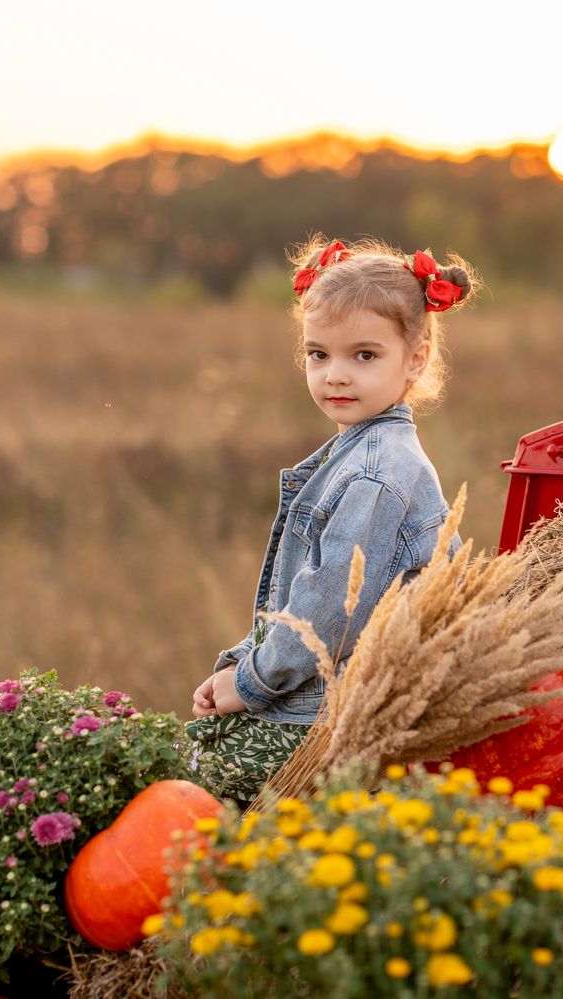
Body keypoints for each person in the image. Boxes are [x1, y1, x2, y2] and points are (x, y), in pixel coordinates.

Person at [187, 233, 479, 804]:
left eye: (364, 356)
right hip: (311, 702)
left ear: (415, 359)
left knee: (202, 781)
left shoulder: (376, 473)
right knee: (197, 762)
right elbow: (301, 603)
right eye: (319, 355)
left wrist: (248, 685)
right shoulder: (356, 453)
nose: (335, 375)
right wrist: (241, 663)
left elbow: (326, 610)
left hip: (325, 719)